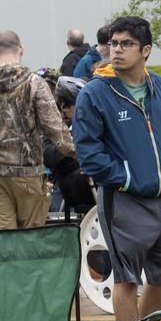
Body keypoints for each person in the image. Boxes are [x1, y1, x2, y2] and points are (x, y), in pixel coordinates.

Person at [72, 15, 161, 321]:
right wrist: (123, 177)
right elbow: (88, 150)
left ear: (145, 51)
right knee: (126, 279)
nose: (116, 50)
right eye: (113, 43)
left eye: (125, 44)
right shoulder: (96, 92)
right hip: (123, 198)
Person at [0, 30, 74, 230]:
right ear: (21, 50)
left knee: (4, 236)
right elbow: (56, 130)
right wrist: (79, 155)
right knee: (30, 236)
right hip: (27, 172)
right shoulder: (34, 84)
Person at [43, 75, 96, 219]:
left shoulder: (94, 125)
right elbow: (49, 156)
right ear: (63, 106)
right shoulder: (56, 130)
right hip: (77, 187)